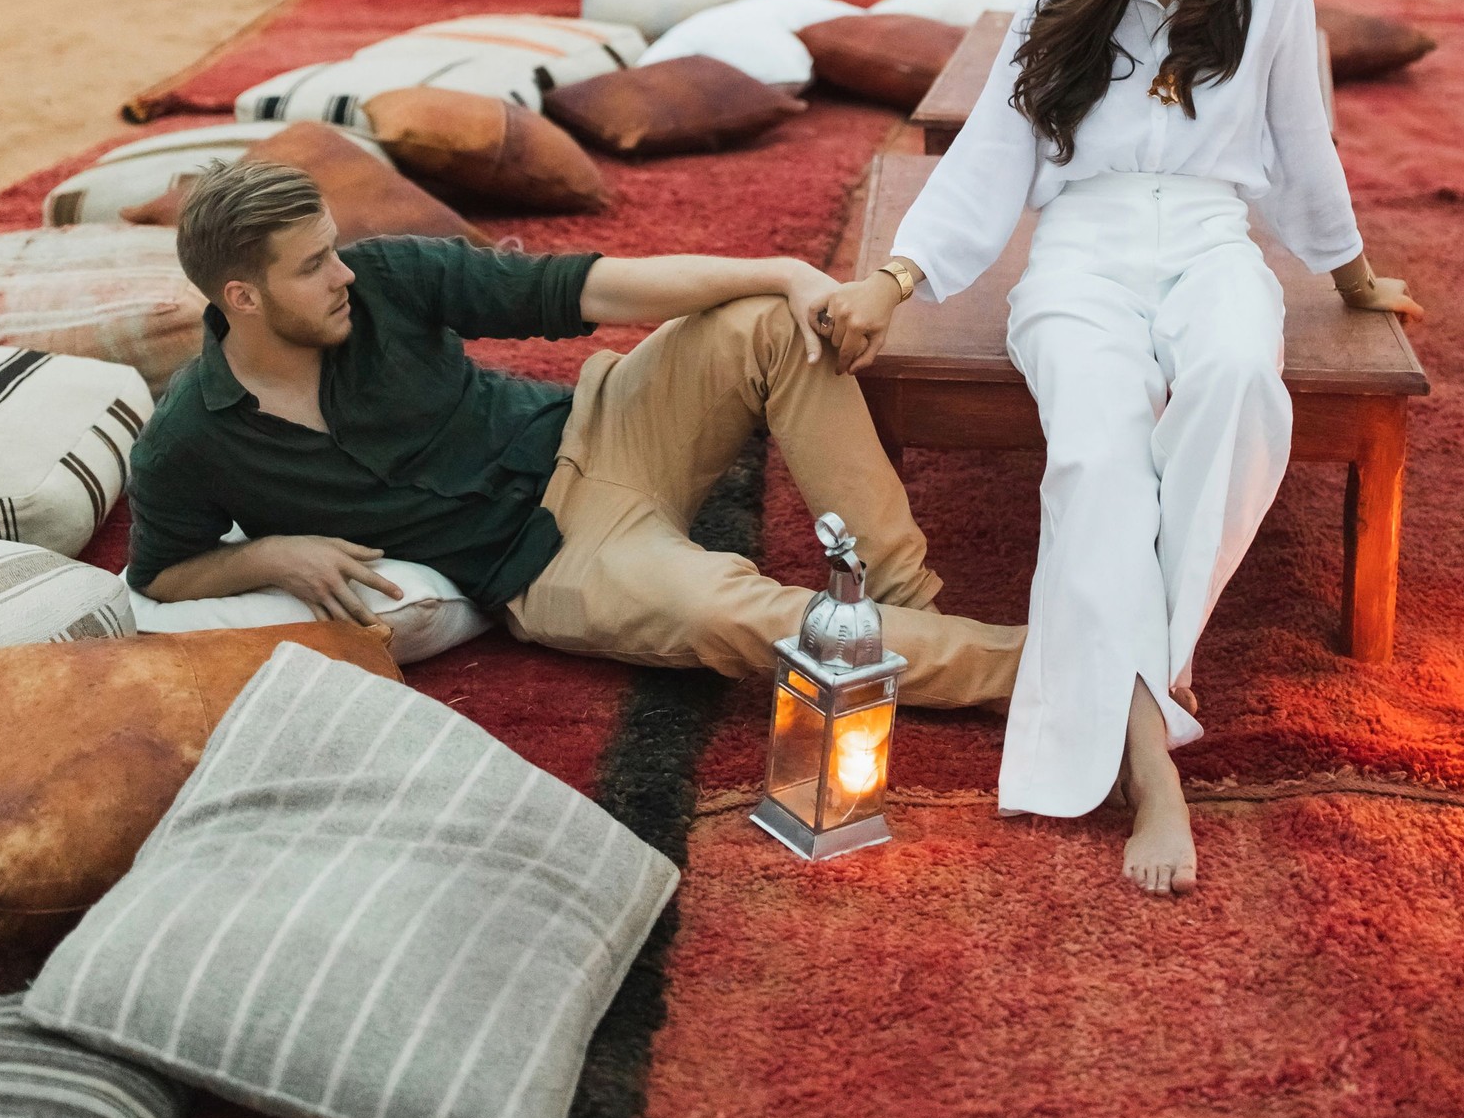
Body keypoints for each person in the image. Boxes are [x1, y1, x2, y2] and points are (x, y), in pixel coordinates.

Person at [820, 0, 1420, 897]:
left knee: (1240, 380)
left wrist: (1351, 275)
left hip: (1210, 241)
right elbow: (989, 167)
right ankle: (1155, 759)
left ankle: (1144, 666)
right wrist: (893, 280)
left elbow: (1302, 150)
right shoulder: (1059, 6)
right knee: (1096, 458)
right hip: (1081, 258)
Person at [129, 158, 1022, 711]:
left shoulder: (387, 278)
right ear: (240, 298)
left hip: (606, 423)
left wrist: (783, 272)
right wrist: (272, 557)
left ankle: (914, 606)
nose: (343, 273)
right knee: (729, 614)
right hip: (554, 564)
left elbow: (593, 288)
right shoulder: (191, 441)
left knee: (770, 322)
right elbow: (162, 572)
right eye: (314, 264)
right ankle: (1045, 675)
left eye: (334, 248)